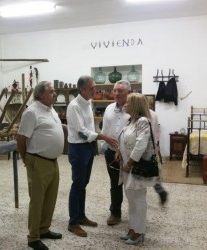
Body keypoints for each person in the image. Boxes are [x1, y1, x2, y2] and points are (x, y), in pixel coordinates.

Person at [101, 80, 168, 226]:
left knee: (137, 185)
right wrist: (104, 145)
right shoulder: (109, 108)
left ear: (129, 92)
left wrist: (151, 152)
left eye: (120, 91)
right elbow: (105, 128)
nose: (116, 94)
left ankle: (138, 221)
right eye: (115, 90)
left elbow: (151, 134)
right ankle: (115, 212)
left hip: (133, 156)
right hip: (113, 152)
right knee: (115, 184)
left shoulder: (143, 112)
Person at [66, 76, 118, 237]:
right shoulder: (74, 106)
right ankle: (73, 222)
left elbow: (89, 127)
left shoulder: (88, 103)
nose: (95, 90)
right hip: (78, 148)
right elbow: (82, 133)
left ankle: (81, 216)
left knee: (84, 183)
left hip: (88, 148)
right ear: (82, 90)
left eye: (95, 87)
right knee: (77, 184)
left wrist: (95, 144)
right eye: (92, 88)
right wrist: (103, 137)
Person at [16, 81, 64, 250]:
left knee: (50, 198)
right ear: (40, 95)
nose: (55, 93)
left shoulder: (50, 109)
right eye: (51, 91)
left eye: (54, 91)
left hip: (52, 162)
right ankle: (33, 237)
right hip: (38, 161)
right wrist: (26, 159)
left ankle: (44, 229)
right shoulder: (32, 112)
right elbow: (21, 138)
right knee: (37, 201)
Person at [116, 92, 160, 245]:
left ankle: (139, 232)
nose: (125, 104)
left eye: (128, 102)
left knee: (138, 199)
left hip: (136, 167)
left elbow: (141, 144)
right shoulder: (131, 121)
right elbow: (124, 138)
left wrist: (129, 164)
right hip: (128, 166)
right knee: (131, 199)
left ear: (134, 105)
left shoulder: (142, 121)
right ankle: (132, 228)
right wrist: (119, 152)